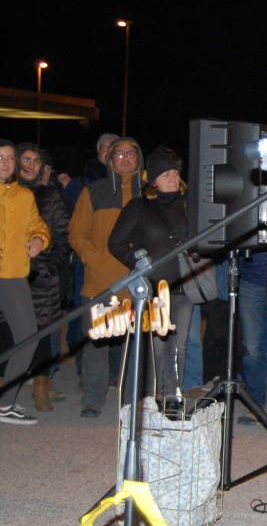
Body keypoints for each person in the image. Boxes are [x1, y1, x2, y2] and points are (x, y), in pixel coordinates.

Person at [107, 147, 195, 402]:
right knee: (158, 345)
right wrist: (138, 264)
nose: (172, 177)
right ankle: (153, 397)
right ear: (153, 179)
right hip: (154, 288)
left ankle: (171, 396)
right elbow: (116, 243)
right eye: (166, 173)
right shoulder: (139, 207)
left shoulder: (189, 206)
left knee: (179, 347)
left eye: (175, 172)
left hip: (184, 287)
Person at [69, 136, 143, 417]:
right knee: (97, 343)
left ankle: (133, 400)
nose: (124, 158)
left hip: (138, 281)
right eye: (118, 154)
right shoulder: (94, 191)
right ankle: (92, 399)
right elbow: (77, 233)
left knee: (136, 343)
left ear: (139, 159)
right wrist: (94, 258)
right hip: (101, 281)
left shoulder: (147, 193)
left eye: (130, 153)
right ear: (110, 160)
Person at [0, 140, 51, 425]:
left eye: (9, 158)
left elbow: (39, 226)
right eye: (0, 158)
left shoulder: (23, 196)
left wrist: (38, 240)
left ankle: (5, 403)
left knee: (28, 337)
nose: (5, 163)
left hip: (13, 276)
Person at [17, 143, 71, 412]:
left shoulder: (51, 196)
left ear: (42, 167)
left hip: (41, 276)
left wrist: (49, 265)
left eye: (35, 161)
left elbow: (62, 236)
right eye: (25, 159)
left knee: (41, 334)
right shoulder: (6, 192)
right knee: (8, 334)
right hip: (9, 274)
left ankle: (41, 387)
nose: (30, 165)